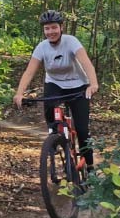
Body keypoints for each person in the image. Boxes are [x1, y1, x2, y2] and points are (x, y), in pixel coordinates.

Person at [13, 10, 99, 169]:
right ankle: (53, 136)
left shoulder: (71, 42)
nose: (51, 32)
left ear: (61, 27)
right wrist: (19, 93)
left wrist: (93, 84)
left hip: (78, 85)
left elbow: (86, 63)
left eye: (54, 27)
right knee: (50, 110)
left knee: (82, 129)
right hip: (55, 84)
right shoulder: (42, 47)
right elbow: (29, 71)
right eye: (47, 29)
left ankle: (90, 165)